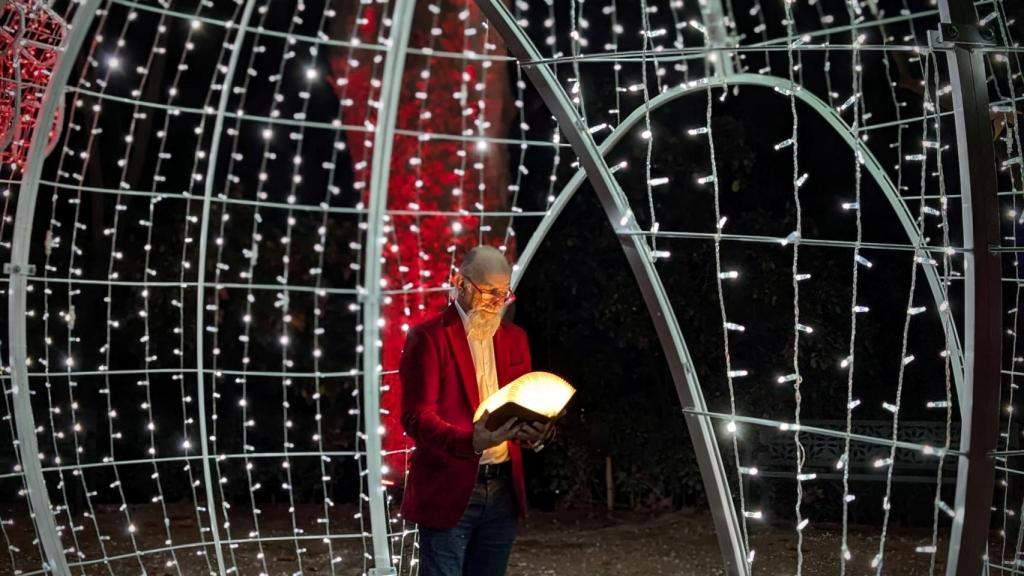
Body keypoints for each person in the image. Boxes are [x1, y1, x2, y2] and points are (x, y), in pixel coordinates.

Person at [399, 245, 555, 576]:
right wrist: (471, 440)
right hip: (448, 488)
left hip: (502, 491)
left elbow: (526, 402)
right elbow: (416, 417)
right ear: (461, 282)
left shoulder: (515, 338)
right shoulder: (427, 338)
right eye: (490, 292)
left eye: (504, 293)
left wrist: (539, 431)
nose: (498, 302)